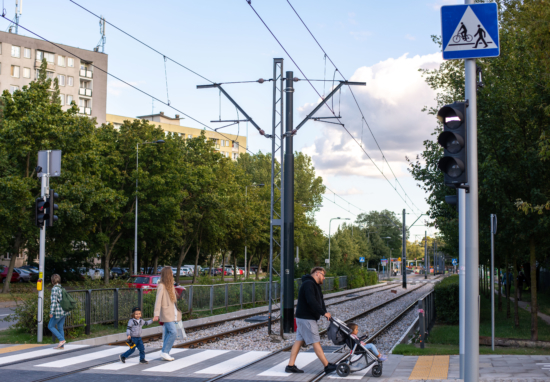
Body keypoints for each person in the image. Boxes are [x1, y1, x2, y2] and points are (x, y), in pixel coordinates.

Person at [286, 267, 337, 375]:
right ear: (317, 273)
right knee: (315, 341)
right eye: (323, 275)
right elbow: (311, 301)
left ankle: (290, 365)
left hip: (304, 318)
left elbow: (320, 301)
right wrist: (323, 313)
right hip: (306, 318)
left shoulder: (316, 285)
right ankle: (327, 366)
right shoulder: (308, 284)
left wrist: (325, 312)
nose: (324, 278)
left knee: (299, 341)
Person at [153, 266, 180, 361]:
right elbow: (158, 301)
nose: (173, 274)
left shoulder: (170, 285)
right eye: (171, 272)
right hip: (165, 313)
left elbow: (173, 301)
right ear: (168, 274)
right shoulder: (162, 286)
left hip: (171, 313)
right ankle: (165, 352)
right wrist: (156, 314)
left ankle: (165, 352)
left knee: (169, 332)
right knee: (173, 332)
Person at [48, 274, 69, 350]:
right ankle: (62, 345)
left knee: (50, 326)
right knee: (60, 327)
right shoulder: (62, 288)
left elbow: (54, 302)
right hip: (64, 311)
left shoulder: (54, 289)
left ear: (52, 281)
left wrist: (51, 312)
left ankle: (61, 339)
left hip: (58, 312)